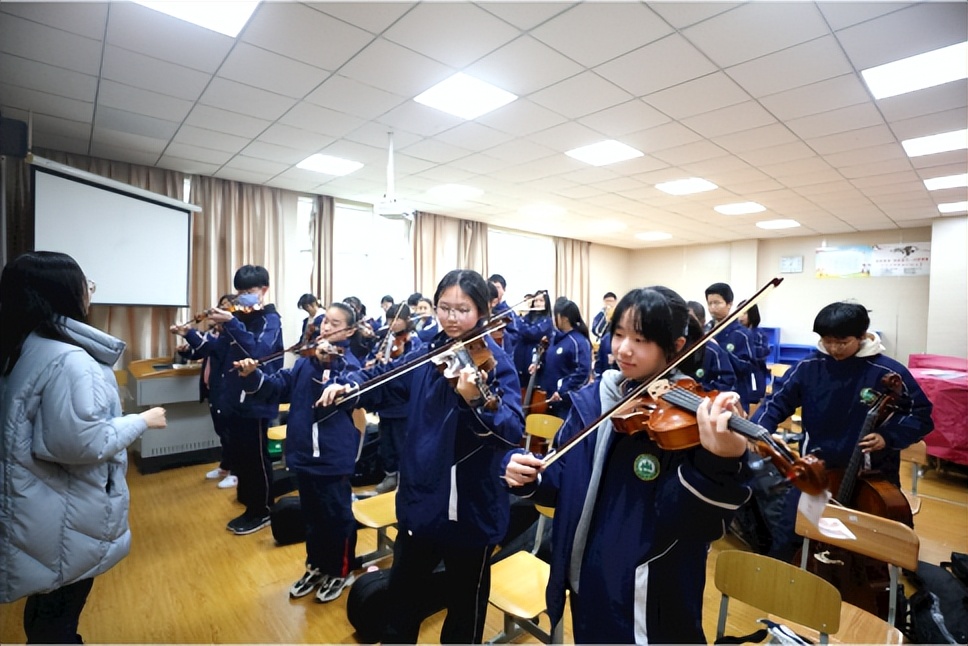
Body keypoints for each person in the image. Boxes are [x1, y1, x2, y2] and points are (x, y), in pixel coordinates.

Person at [502, 286, 750, 643]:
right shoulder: (593, 399)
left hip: (646, 594)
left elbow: (690, 522)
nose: (623, 349)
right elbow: (562, 481)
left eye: (641, 339)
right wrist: (529, 475)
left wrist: (718, 462)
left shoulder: (688, 420)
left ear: (677, 346)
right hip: (585, 578)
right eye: (619, 334)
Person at [318, 269, 524, 643]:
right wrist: (351, 387)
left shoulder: (496, 364)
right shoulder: (428, 353)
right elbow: (389, 378)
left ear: (481, 311)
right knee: (402, 603)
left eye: (463, 309)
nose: (451, 317)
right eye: (444, 307)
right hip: (420, 498)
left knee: (465, 612)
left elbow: (510, 430)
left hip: (470, 509)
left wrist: (476, 399)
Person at [0, 251, 168, 642]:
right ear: (62, 293)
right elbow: (80, 442)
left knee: (47, 605)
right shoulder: (70, 360)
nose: (90, 291)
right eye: (85, 283)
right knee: (59, 614)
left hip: (39, 504)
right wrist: (140, 420)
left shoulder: (25, 344)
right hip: (62, 509)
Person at [749, 301, 933, 560]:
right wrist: (759, 431)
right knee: (790, 535)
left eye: (842, 342)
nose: (833, 349)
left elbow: (920, 414)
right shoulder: (809, 366)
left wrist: (887, 436)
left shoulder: (888, 371)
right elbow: (777, 401)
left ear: (861, 336)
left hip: (870, 476)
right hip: (815, 471)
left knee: (872, 547)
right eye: (827, 341)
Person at [235, 302, 362, 603]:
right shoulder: (305, 360)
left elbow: (349, 390)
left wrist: (325, 366)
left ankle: (341, 571)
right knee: (313, 517)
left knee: (337, 517)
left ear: (351, 330)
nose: (326, 327)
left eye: (335, 323)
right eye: (324, 322)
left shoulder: (347, 363)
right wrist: (253, 375)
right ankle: (317, 565)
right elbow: (279, 386)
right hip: (303, 453)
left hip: (331, 457)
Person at [171, 264, 284, 535]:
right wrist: (188, 334)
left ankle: (262, 510)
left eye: (250, 291)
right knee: (242, 458)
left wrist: (232, 323)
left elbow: (259, 350)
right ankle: (249, 502)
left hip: (257, 398)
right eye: (240, 291)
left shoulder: (270, 319)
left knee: (256, 459)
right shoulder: (240, 319)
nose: (243, 296)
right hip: (234, 398)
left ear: (264, 290)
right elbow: (212, 348)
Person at [364, 302, 424, 494]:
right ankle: (390, 475)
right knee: (386, 443)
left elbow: (409, 369)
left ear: (407, 320)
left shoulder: (414, 342)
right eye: (390, 319)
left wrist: (391, 364)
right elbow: (374, 359)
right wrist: (375, 361)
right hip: (385, 401)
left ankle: (405, 479)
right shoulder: (386, 339)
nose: (392, 323)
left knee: (402, 442)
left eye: (396, 319)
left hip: (402, 402)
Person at [179, 293, 238, 489]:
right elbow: (203, 351)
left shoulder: (231, 335)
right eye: (220, 306)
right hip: (212, 386)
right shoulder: (213, 331)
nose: (221, 310)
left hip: (227, 389)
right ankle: (225, 467)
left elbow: (213, 349)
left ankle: (236, 471)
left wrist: (189, 333)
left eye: (227, 307)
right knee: (221, 430)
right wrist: (185, 351)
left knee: (230, 432)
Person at [537, 298, 592, 420]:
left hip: (566, 402)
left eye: (555, 315)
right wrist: (538, 364)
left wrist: (562, 390)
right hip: (550, 397)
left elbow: (583, 372)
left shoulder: (579, 341)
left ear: (564, 318)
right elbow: (549, 361)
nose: (553, 319)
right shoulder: (555, 338)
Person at [705, 282, 757, 407]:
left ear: (729, 304)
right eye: (709, 303)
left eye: (717, 303)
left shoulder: (742, 333)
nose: (712, 307)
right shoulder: (705, 330)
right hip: (709, 393)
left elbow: (747, 366)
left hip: (735, 394)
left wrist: (719, 349)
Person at [686, 300, 738, 393]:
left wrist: (702, 389)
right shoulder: (677, 347)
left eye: (691, 321)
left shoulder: (712, 349)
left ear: (702, 322)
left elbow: (727, 382)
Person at [512, 290, 554, 389]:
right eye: (536, 301)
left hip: (535, 361)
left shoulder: (547, 320)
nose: (538, 303)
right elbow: (518, 331)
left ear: (546, 303)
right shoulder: (527, 317)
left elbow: (532, 333)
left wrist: (517, 320)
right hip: (520, 359)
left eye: (541, 301)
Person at [738, 302, 771, 404]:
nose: (740, 316)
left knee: (753, 400)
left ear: (752, 314)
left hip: (755, 374)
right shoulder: (738, 333)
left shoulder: (759, 334)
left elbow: (761, 355)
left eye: (744, 313)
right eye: (739, 312)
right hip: (740, 377)